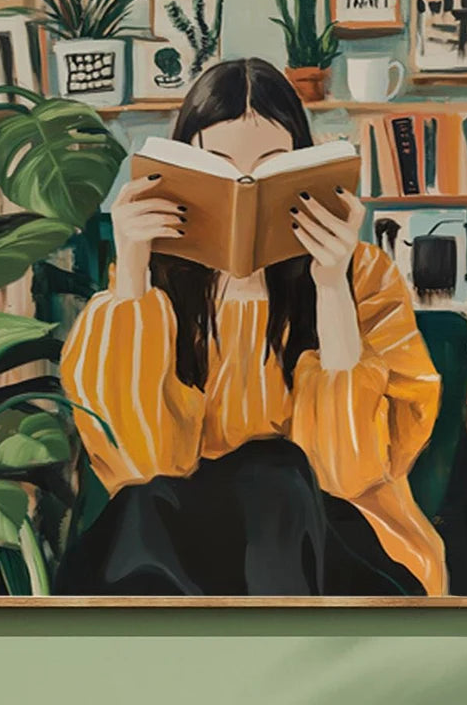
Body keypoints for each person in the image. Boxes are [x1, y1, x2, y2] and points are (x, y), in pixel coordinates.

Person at [55, 58, 447, 597]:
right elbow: (140, 466)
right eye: (217, 167)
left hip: (340, 538)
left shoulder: (362, 274)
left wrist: (331, 287)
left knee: (273, 474)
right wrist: (133, 271)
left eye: (270, 167)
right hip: (191, 539)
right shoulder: (151, 285)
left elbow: (349, 472)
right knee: (147, 507)